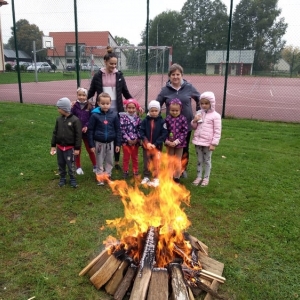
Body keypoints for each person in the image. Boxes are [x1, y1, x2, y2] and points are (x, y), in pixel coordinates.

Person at [87, 46, 136, 171]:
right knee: (102, 134)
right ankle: (100, 162)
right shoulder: (98, 75)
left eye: (115, 64)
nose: (113, 66)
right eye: (111, 64)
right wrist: (81, 101)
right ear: (105, 62)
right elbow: (92, 91)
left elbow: (125, 92)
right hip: (102, 110)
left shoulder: (119, 75)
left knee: (116, 134)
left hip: (116, 110)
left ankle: (117, 161)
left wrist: (136, 104)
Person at [156, 63, 200, 178]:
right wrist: (158, 118)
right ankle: (170, 170)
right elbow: (157, 104)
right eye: (173, 74)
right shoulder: (165, 90)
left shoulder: (189, 87)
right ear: (169, 76)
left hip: (186, 125)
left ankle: (182, 169)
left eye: (178, 74)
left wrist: (199, 113)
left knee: (184, 147)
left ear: (181, 75)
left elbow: (199, 99)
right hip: (171, 126)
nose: (175, 77)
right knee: (170, 148)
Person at [87, 92, 121, 186]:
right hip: (99, 143)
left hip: (110, 143)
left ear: (110, 103)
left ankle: (108, 175)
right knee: (99, 160)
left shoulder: (114, 115)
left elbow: (118, 130)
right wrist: (91, 144)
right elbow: (90, 130)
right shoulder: (94, 115)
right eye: (103, 103)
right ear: (98, 103)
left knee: (110, 160)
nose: (105, 105)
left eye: (107, 103)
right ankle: (100, 177)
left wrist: (118, 144)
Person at [191, 91, 222, 187]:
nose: (204, 105)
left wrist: (214, 143)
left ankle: (206, 178)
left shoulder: (216, 116)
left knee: (207, 161)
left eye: (206, 103)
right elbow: (194, 127)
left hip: (208, 143)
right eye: (202, 103)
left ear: (211, 103)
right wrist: (194, 121)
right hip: (198, 142)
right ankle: (199, 176)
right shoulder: (199, 113)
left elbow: (217, 131)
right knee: (199, 160)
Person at [50, 97, 82, 188]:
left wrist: (77, 148)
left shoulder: (75, 120)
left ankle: (72, 179)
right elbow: (55, 132)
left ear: (64, 109)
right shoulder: (59, 120)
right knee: (61, 163)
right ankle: (62, 178)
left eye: (59, 108)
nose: (58, 110)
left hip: (70, 148)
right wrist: (53, 145)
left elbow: (78, 136)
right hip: (60, 147)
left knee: (70, 164)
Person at [140, 100, 168, 187]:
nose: (154, 112)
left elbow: (164, 134)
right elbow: (141, 132)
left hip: (157, 147)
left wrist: (156, 144)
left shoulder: (162, 122)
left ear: (159, 111)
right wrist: (147, 142)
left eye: (156, 111)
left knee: (156, 162)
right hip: (146, 147)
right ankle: (146, 176)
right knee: (147, 162)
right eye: (152, 110)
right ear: (149, 111)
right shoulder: (145, 121)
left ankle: (156, 177)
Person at [71, 87, 97, 175]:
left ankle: (95, 165)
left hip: (87, 132)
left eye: (83, 95)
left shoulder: (90, 106)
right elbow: (71, 117)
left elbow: (92, 118)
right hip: (77, 132)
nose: (81, 97)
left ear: (87, 96)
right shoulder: (74, 106)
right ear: (77, 95)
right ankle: (78, 167)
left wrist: (86, 126)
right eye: (79, 95)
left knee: (90, 149)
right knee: (77, 150)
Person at [164, 98, 188, 184]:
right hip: (169, 144)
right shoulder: (167, 119)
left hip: (179, 144)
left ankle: (177, 177)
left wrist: (177, 141)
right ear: (169, 110)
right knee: (170, 160)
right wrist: (167, 141)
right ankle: (169, 176)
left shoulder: (183, 119)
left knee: (177, 160)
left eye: (176, 110)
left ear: (180, 109)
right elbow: (164, 131)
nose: (174, 112)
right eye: (172, 110)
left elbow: (185, 132)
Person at [120, 99, 142, 179]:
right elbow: (122, 129)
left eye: (133, 108)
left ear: (136, 108)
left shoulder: (138, 119)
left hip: (135, 142)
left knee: (135, 157)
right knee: (126, 157)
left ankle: (135, 171)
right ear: (126, 108)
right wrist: (127, 139)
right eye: (129, 108)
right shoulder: (123, 118)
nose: (131, 110)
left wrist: (137, 138)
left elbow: (140, 129)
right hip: (126, 142)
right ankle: (125, 171)